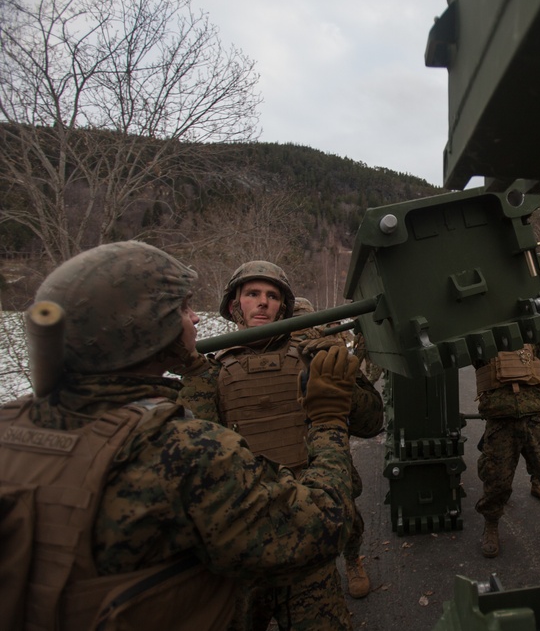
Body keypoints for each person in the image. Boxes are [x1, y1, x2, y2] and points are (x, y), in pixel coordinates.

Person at [0, 242, 358, 630]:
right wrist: (328, 419)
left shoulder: (12, 426)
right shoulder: (186, 452)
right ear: (148, 329)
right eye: (184, 310)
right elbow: (324, 523)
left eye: (272, 296)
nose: (196, 320)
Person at [178, 261, 383, 630]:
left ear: (284, 307)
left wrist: (340, 374)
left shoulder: (311, 356)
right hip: (247, 531)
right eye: (252, 294)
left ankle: (352, 559)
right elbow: (200, 460)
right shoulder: (210, 373)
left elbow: (372, 424)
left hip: (310, 516)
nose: (263, 303)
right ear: (234, 306)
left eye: (272, 296)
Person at [474, 342, 540, 559]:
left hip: (534, 417)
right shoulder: (483, 338)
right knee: (497, 479)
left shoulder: (532, 335)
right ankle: (491, 524)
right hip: (500, 419)